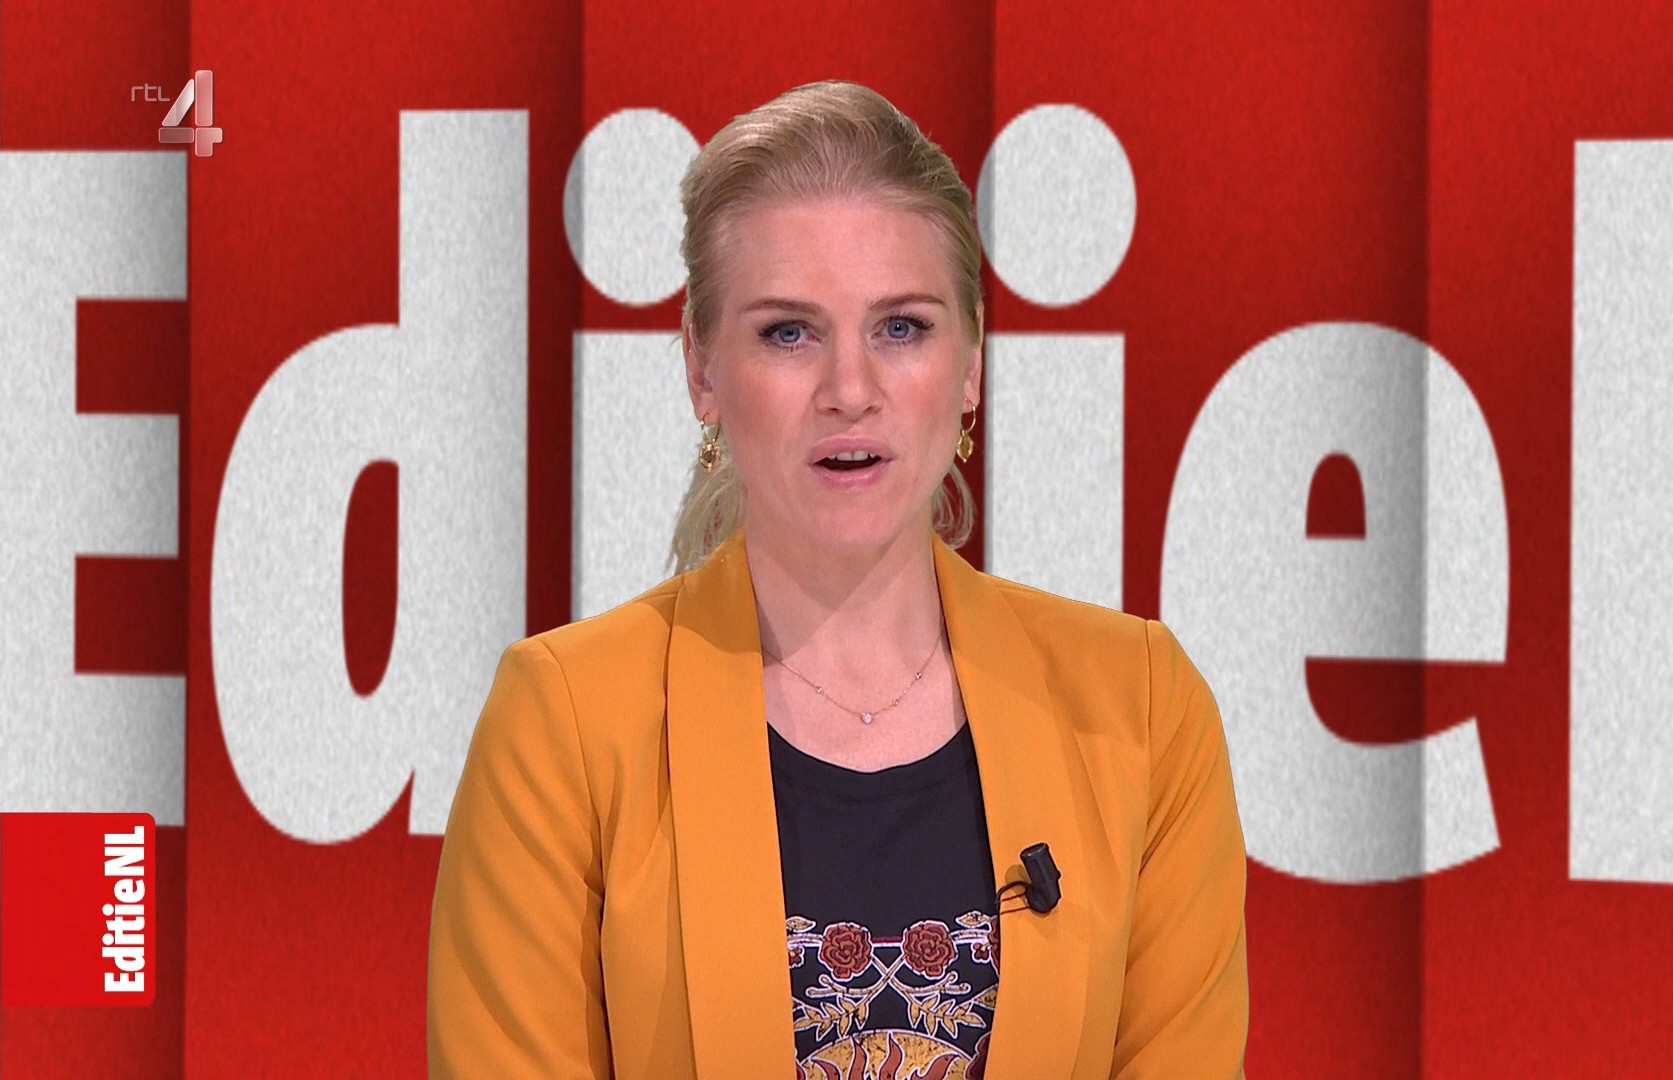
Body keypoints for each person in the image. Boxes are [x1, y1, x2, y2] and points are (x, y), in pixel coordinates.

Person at [426, 79, 1248, 1079]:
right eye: (789, 332)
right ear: (702, 370)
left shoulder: (1143, 711)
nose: (850, 390)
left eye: (902, 327)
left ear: (971, 364)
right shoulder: (564, 726)